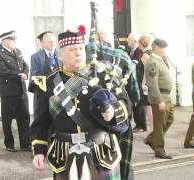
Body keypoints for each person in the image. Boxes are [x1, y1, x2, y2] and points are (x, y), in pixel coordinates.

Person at [31, 26, 133, 179]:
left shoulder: (103, 75)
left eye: (80, 48)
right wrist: (39, 150)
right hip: (63, 154)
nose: (78, 52)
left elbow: (126, 104)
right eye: (72, 49)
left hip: (101, 151)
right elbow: (41, 121)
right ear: (60, 55)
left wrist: (112, 111)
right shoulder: (49, 83)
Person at [0, 31, 31, 152]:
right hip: (8, 92)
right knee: (7, 119)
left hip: (21, 91)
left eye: (14, 40)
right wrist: (19, 76)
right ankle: (9, 144)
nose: (14, 42)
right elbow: (3, 72)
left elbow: (25, 65)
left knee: (24, 118)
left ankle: (25, 144)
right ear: (4, 41)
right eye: (12, 40)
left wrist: (25, 73)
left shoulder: (17, 51)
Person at [143, 38, 174, 159]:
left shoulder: (159, 60)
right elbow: (152, 83)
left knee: (170, 119)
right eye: (164, 48)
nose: (165, 50)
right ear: (158, 48)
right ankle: (159, 150)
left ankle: (151, 139)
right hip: (160, 97)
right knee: (160, 124)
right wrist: (159, 100)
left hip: (166, 96)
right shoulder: (153, 62)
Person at [29, 31, 59, 112]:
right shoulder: (36, 57)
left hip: (59, 92)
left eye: (53, 42)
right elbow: (34, 75)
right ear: (43, 43)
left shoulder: (60, 54)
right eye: (50, 42)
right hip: (43, 93)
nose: (52, 44)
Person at [127, 33, 147, 133]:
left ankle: (142, 125)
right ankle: (137, 124)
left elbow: (142, 68)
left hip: (138, 80)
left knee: (139, 103)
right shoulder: (128, 50)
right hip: (131, 80)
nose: (127, 43)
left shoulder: (141, 52)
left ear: (134, 41)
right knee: (134, 101)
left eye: (129, 41)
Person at [138, 35, 154, 131]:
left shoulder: (145, 55)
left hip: (146, 86)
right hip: (148, 85)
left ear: (141, 43)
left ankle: (153, 130)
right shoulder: (151, 53)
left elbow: (146, 71)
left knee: (149, 109)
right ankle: (153, 130)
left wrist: (143, 84)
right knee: (150, 108)